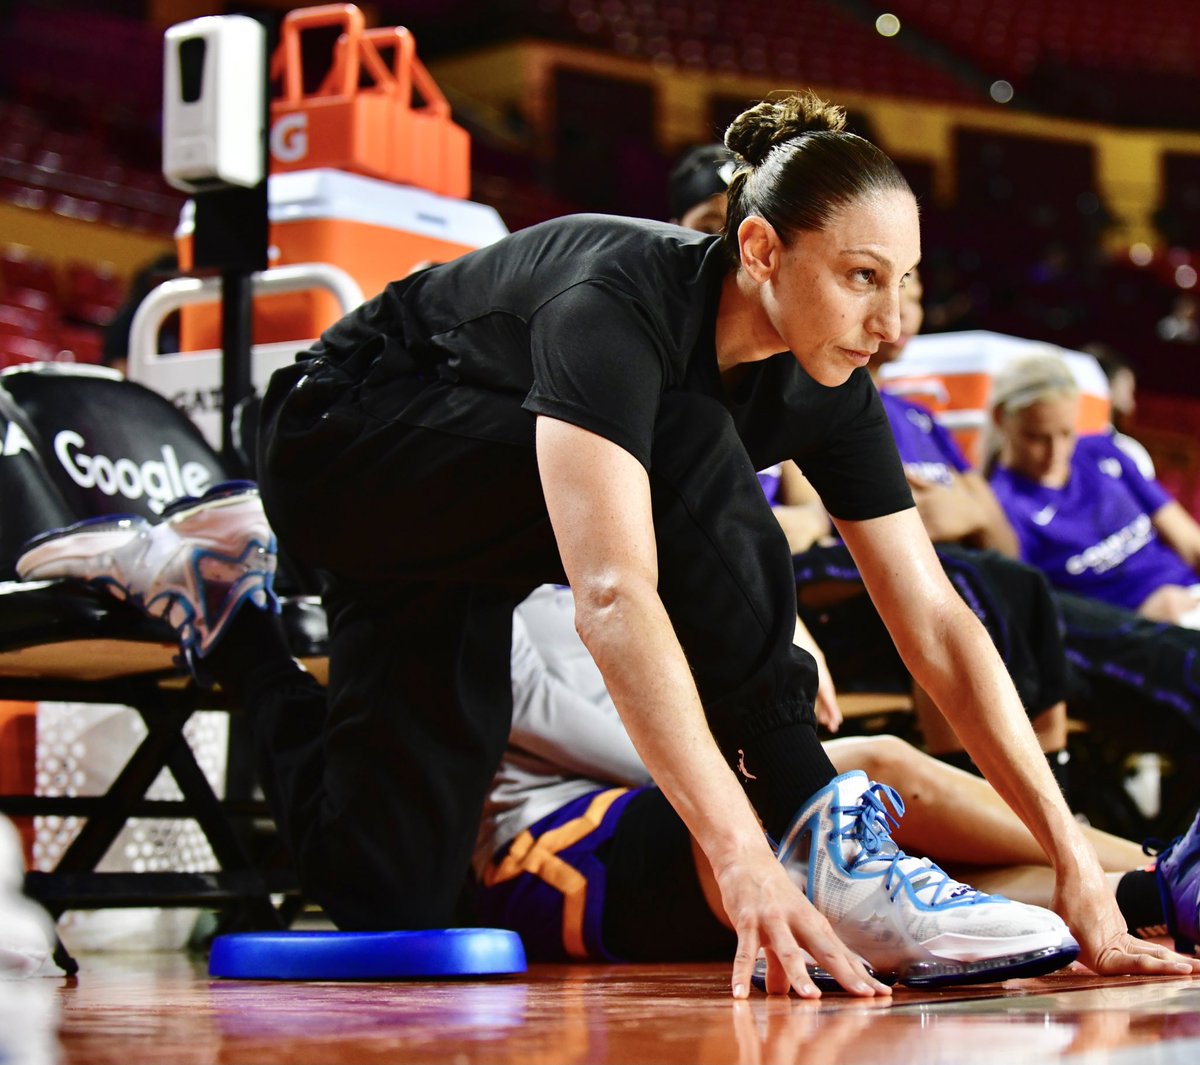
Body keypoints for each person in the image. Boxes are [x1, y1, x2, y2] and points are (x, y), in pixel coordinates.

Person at [25, 91, 1195, 996]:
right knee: (684, 430)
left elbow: (934, 618)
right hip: (348, 451)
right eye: (860, 279)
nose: (894, 324)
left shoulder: (830, 379)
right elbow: (615, 590)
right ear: (758, 253)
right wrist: (747, 846)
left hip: (467, 528)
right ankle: (813, 824)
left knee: (393, 890)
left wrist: (1079, 864)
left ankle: (229, 604)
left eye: (910, 286)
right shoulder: (623, 303)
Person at [18, 496, 1200, 968]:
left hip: (639, 801)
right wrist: (761, 722)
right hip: (542, 842)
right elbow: (632, 742)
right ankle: (1151, 883)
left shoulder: (594, 541)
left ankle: (1153, 894)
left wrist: (771, 683)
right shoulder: (494, 584)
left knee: (883, 794)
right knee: (854, 794)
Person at [989, 349, 1200, 628]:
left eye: (1066, 433)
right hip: (1135, 635)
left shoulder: (1102, 450)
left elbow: (1187, 538)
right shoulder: (1002, 507)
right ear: (1002, 419)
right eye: (1037, 438)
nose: (1056, 451)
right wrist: (1140, 621)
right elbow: (1041, 621)